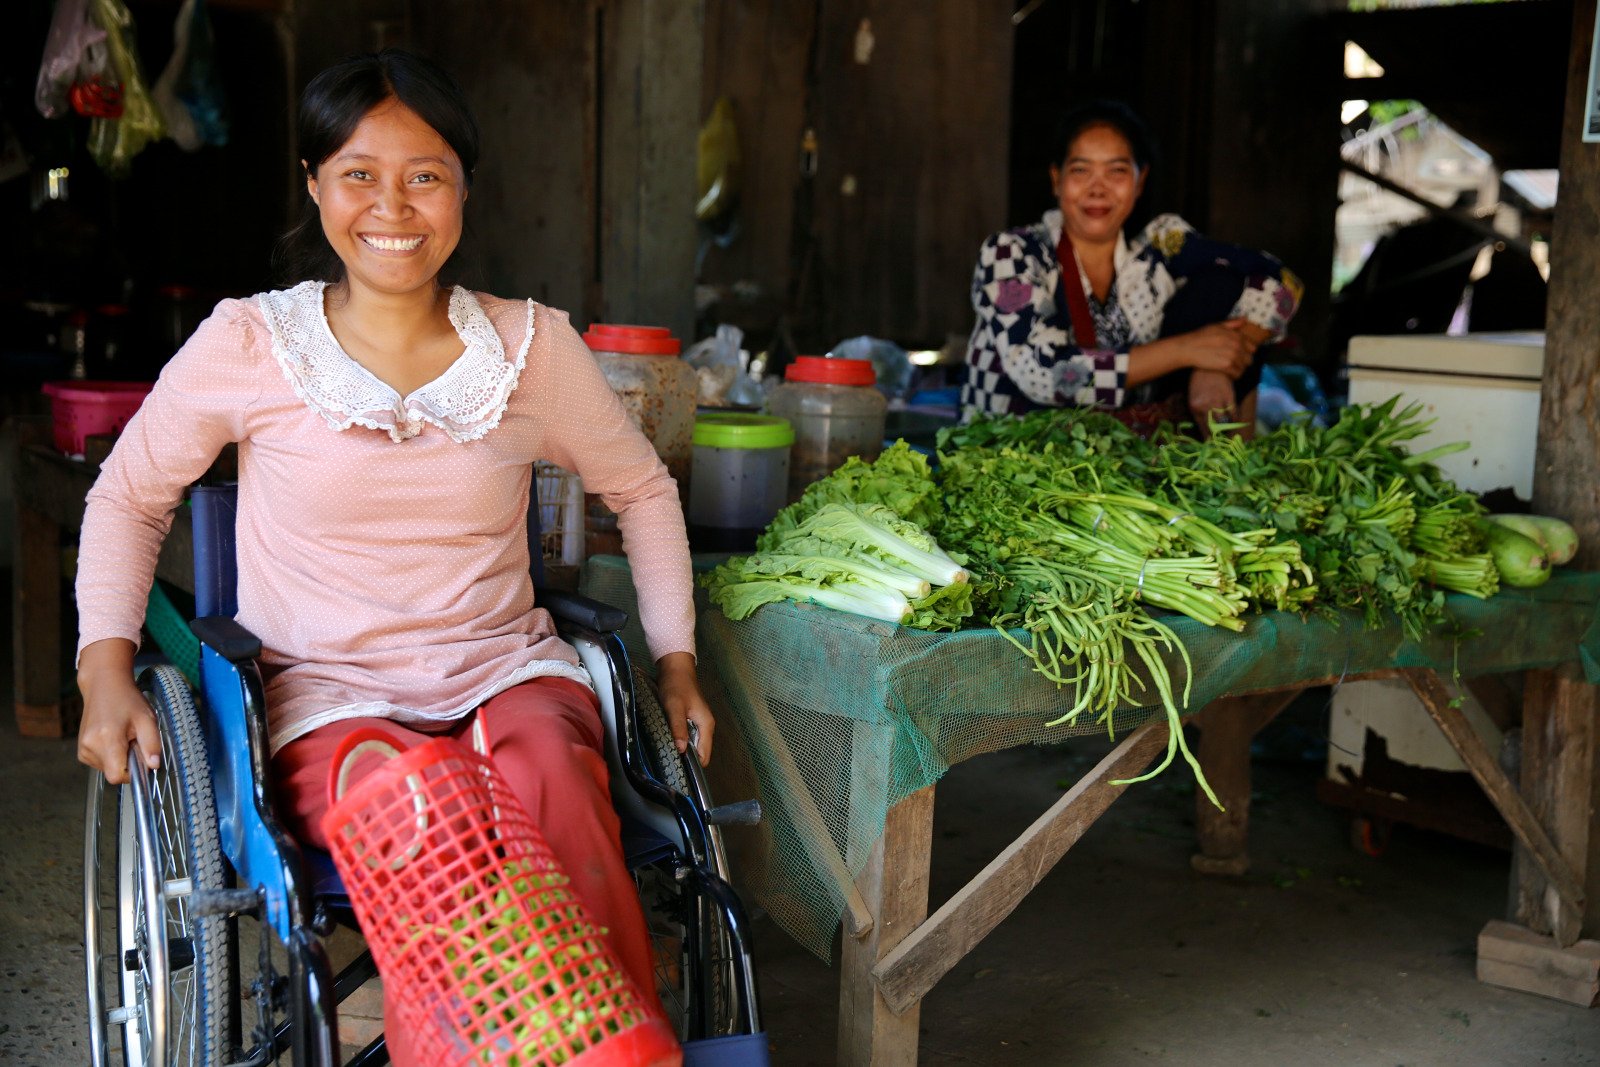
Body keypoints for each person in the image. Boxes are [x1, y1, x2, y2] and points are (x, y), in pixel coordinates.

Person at [71, 48, 710, 1058]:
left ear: (463, 189)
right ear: (316, 186)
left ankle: (594, 1046)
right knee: (413, 811)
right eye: (360, 174)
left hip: (506, 673)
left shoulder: (532, 347)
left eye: (425, 174)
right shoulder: (251, 342)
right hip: (329, 697)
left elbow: (639, 487)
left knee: (553, 782)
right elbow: (131, 493)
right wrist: (104, 664)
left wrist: (674, 660)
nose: (393, 205)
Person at [961, 99, 1304, 436]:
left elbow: (1280, 281)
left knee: (1221, 281)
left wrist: (1216, 364)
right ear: (1056, 179)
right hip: (1008, 461)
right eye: (1081, 170)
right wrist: (1187, 349)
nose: (1098, 188)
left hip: (1116, 468)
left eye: (1117, 171)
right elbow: (1044, 373)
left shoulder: (1160, 250)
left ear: (1140, 182)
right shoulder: (1013, 254)